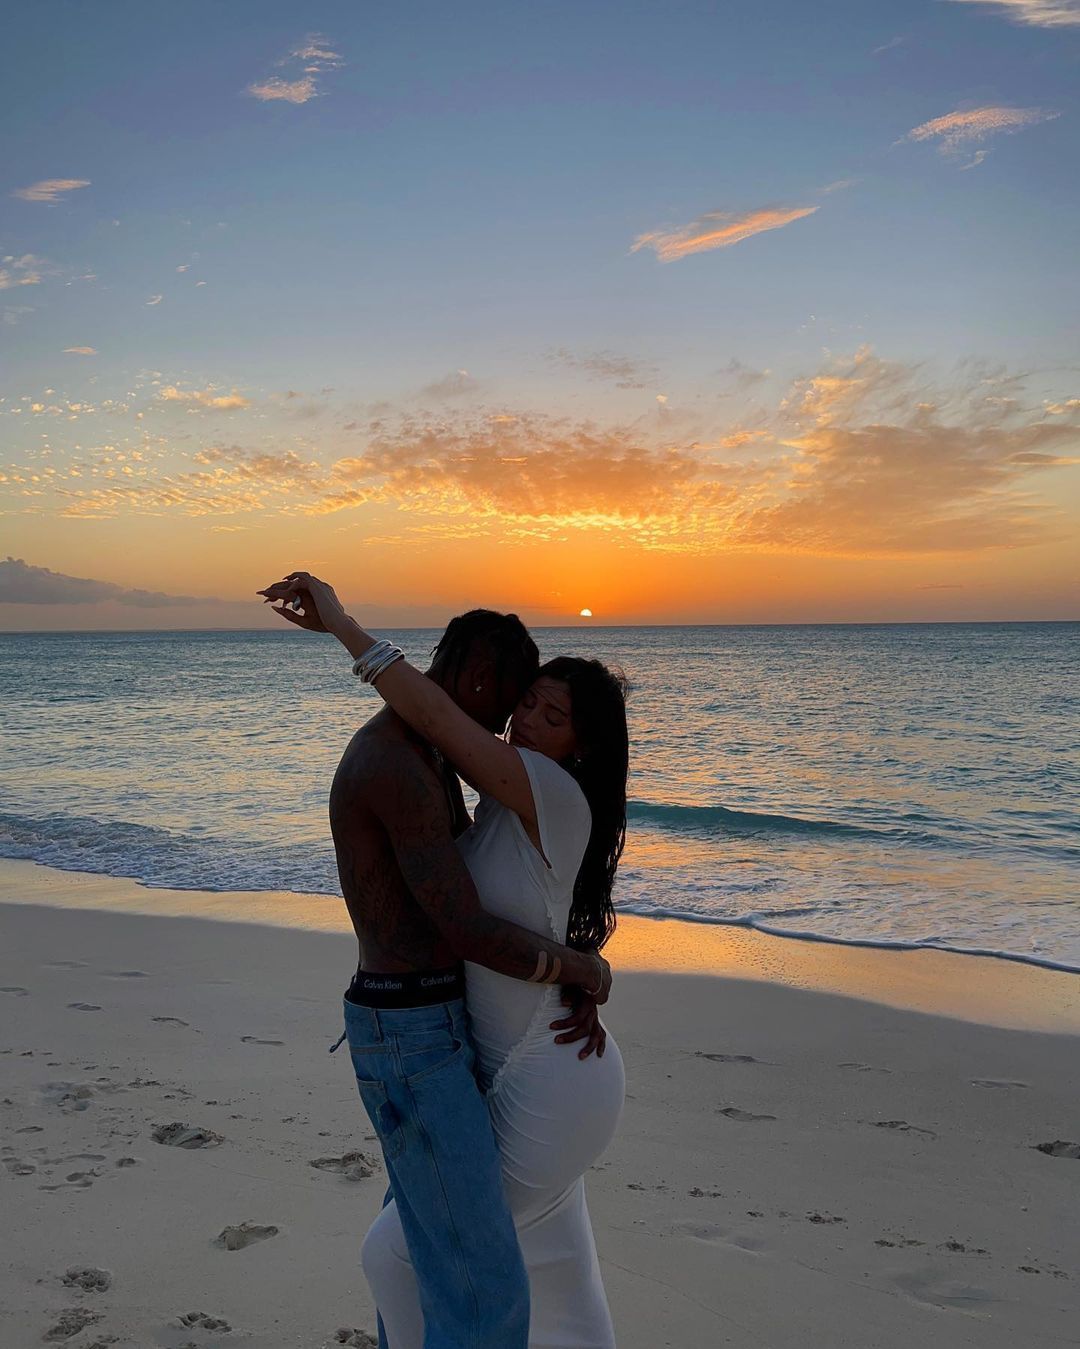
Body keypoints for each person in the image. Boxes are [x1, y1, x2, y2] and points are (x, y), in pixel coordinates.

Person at [262, 571, 628, 1349]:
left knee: (401, 1254)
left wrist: (347, 627)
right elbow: (531, 899)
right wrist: (578, 963)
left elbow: (436, 715)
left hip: (547, 1072)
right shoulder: (503, 799)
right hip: (507, 1058)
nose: (522, 719)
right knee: (556, 1265)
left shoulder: (548, 791)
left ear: (580, 745)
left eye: (550, 713)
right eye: (525, 700)